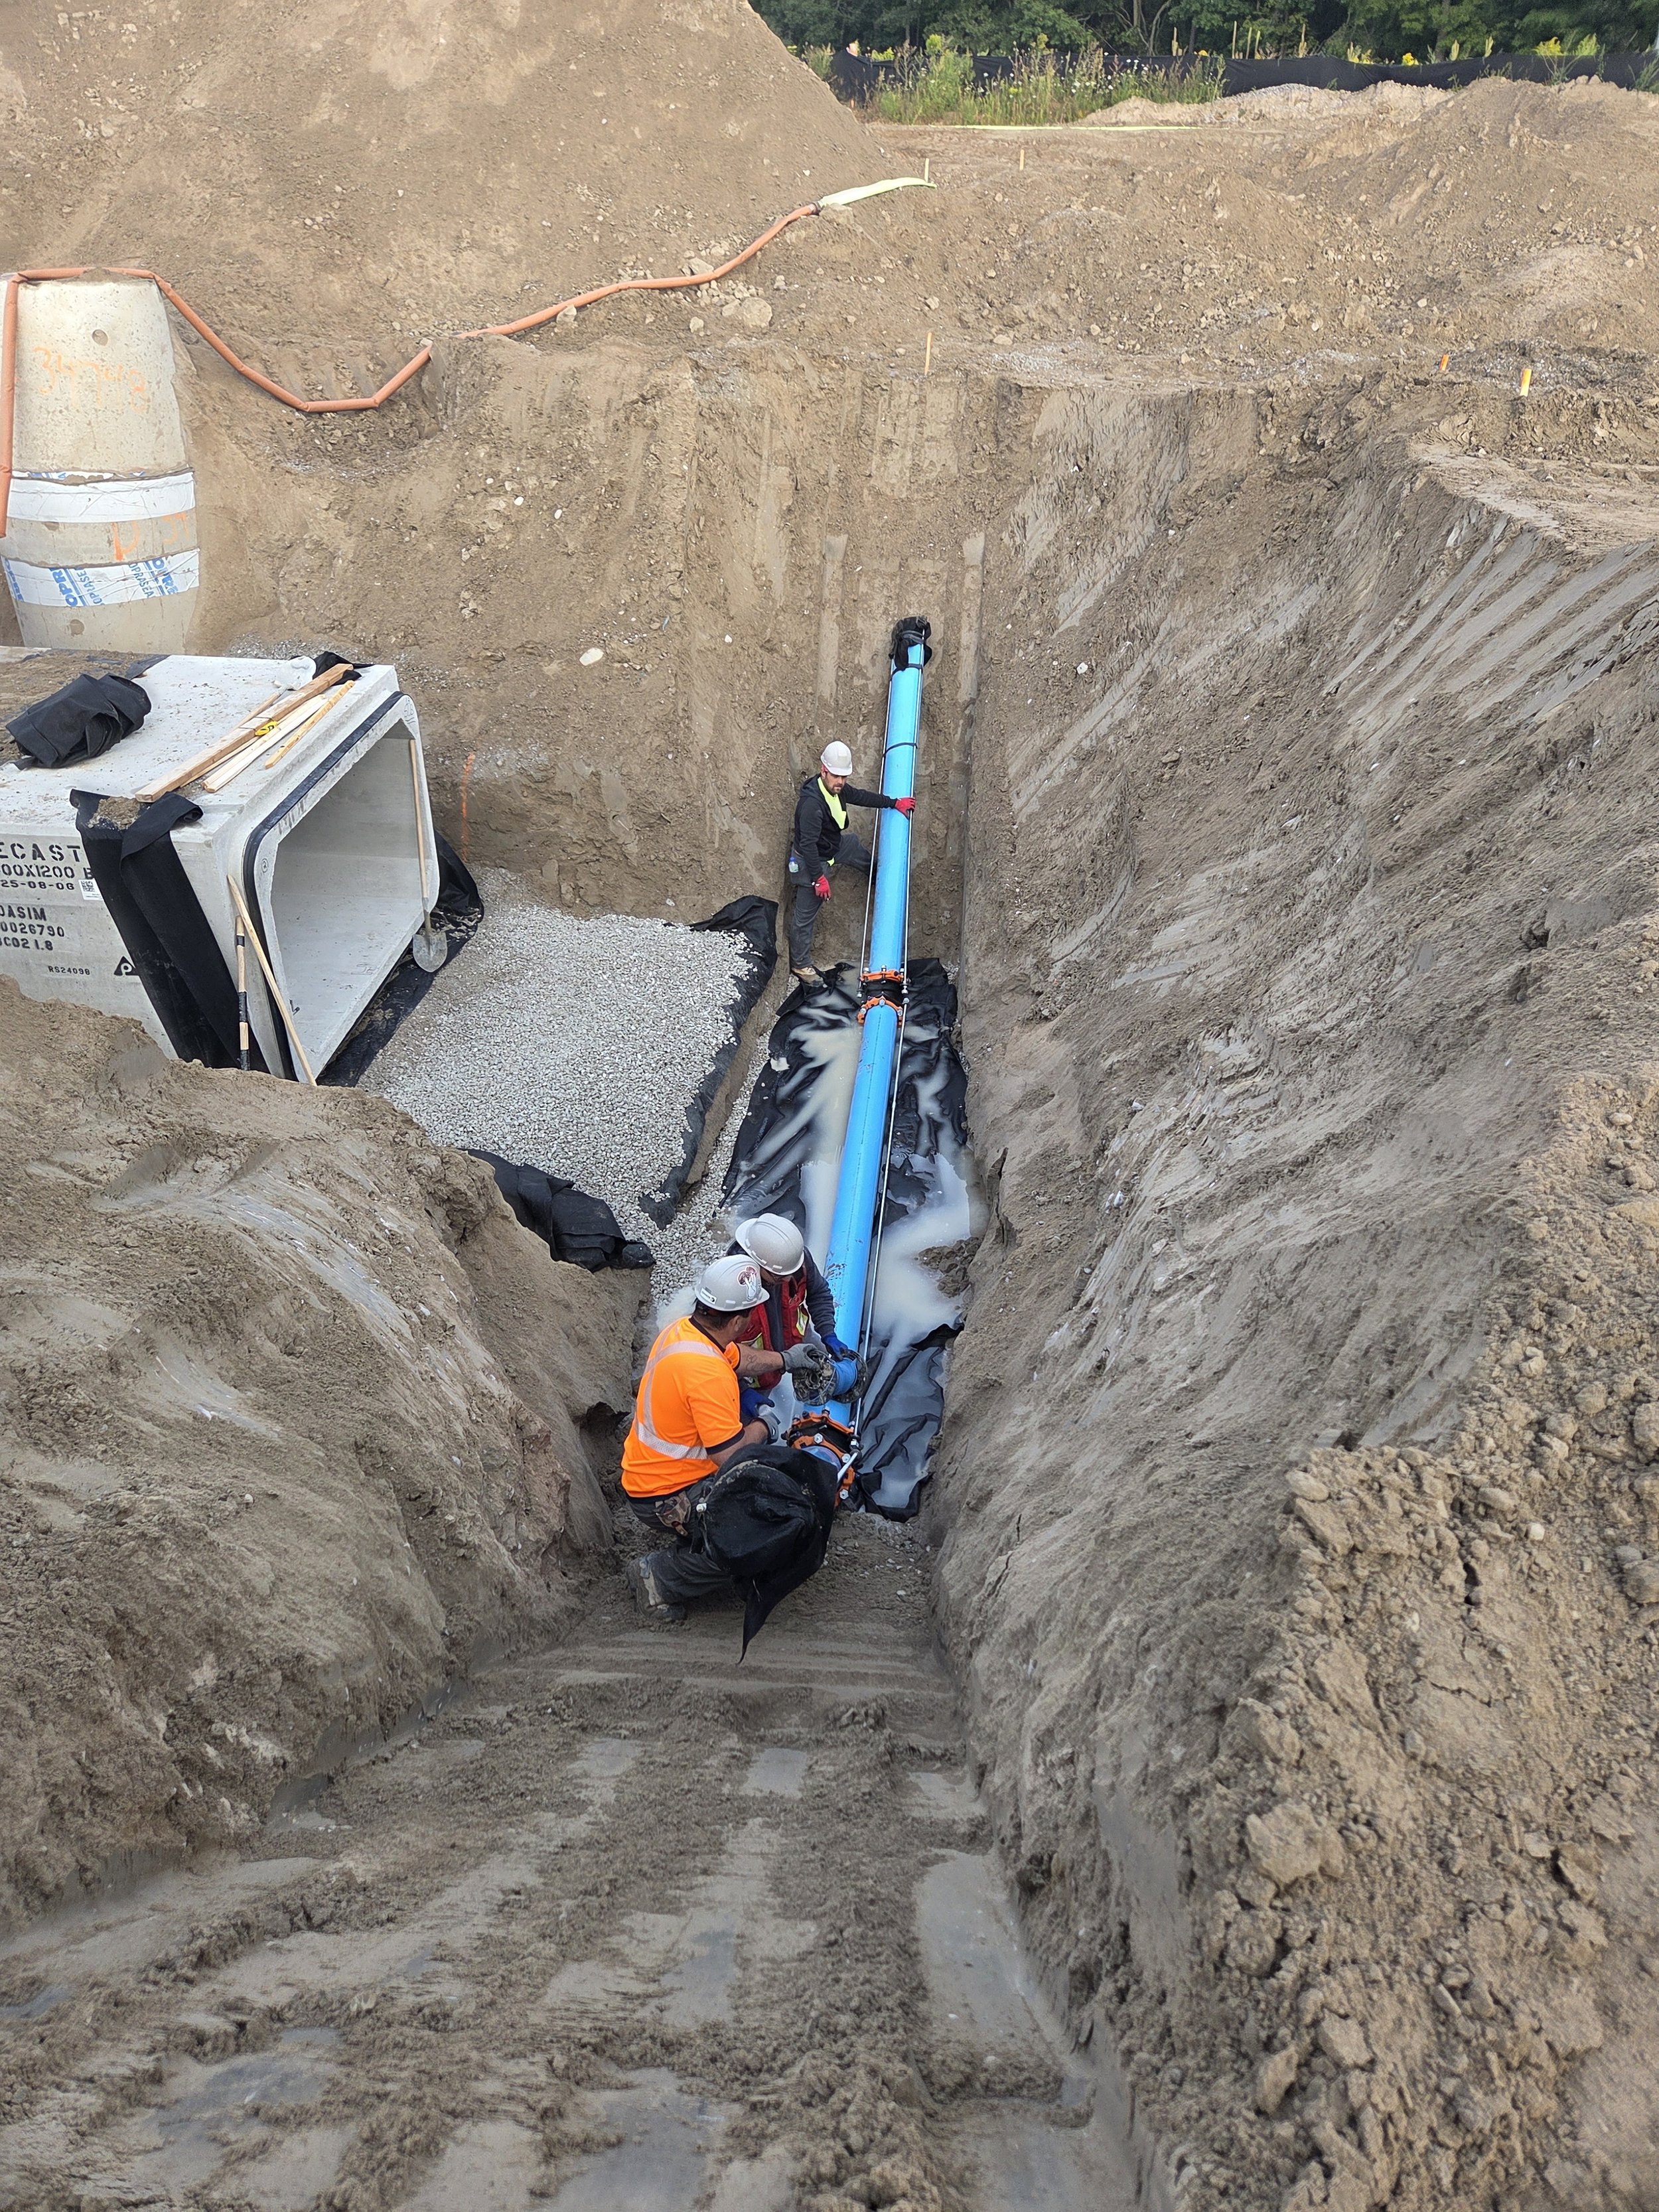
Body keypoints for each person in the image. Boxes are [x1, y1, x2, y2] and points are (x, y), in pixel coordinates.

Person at [620, 1253, 783, 1623]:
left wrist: (787, 1360)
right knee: (756, 1537)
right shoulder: (706, 1372)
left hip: (652, 1477)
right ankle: (658, 1578)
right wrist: (767, 1426)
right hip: (666, 1495)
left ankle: (696, 1539)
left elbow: (738, 1358)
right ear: (740, 1320)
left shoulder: (686, 1332)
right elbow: (732, 1457)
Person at [788, 739, 914, 988]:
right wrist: (818, 879)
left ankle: (880, 876)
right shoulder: (812, 806)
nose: (841, 782)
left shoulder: (836, 788)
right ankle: (800, 965)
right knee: (804, 917)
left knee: (854, 845)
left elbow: (859, 796)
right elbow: (809, 847)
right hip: (810, 862)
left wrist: (894, 803)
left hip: (833, 848)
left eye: (844, 777)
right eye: (836, 776)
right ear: (824, 770)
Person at [727, 1214, 857, 1390]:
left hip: (797, 1341)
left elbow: (818, 1294)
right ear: (757, 1264)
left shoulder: (794, 1262)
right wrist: (742, 1390)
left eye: (791, 1272)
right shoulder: (729, 1290)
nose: (789, 1279)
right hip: (755, 1375)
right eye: (779, 1276)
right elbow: (719, 1351)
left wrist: (828, 1333)